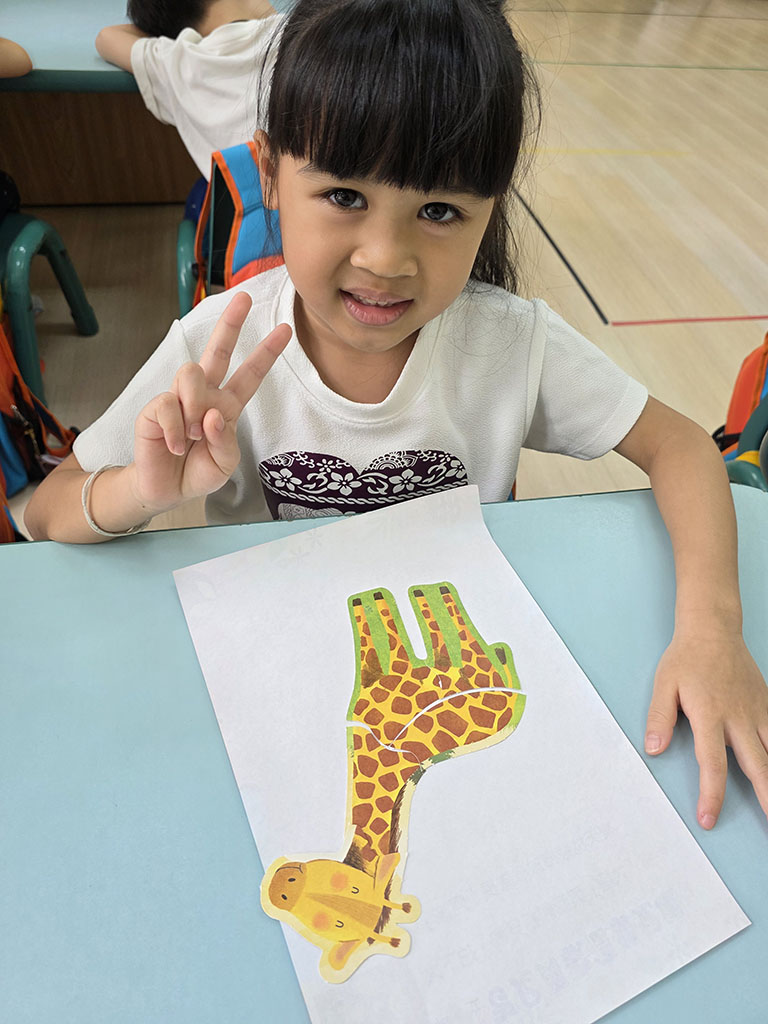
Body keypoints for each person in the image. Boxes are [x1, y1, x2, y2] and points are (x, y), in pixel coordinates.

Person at [27, 0, 768, 832]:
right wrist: (141, 491)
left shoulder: (508, 342)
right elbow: (45, 509)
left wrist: (712, 630)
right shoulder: (215, 349)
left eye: (440, 211)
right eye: (344, 194)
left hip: (458, 676)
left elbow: (683, 447)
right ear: (269, 174)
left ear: (492, 205)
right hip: (278, 683)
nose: (385, 258)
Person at [95, 0, 282, 178]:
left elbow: (106, 37)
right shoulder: (290, 37)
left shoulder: (180, 62)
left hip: (250, 198)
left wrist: (168, 28)